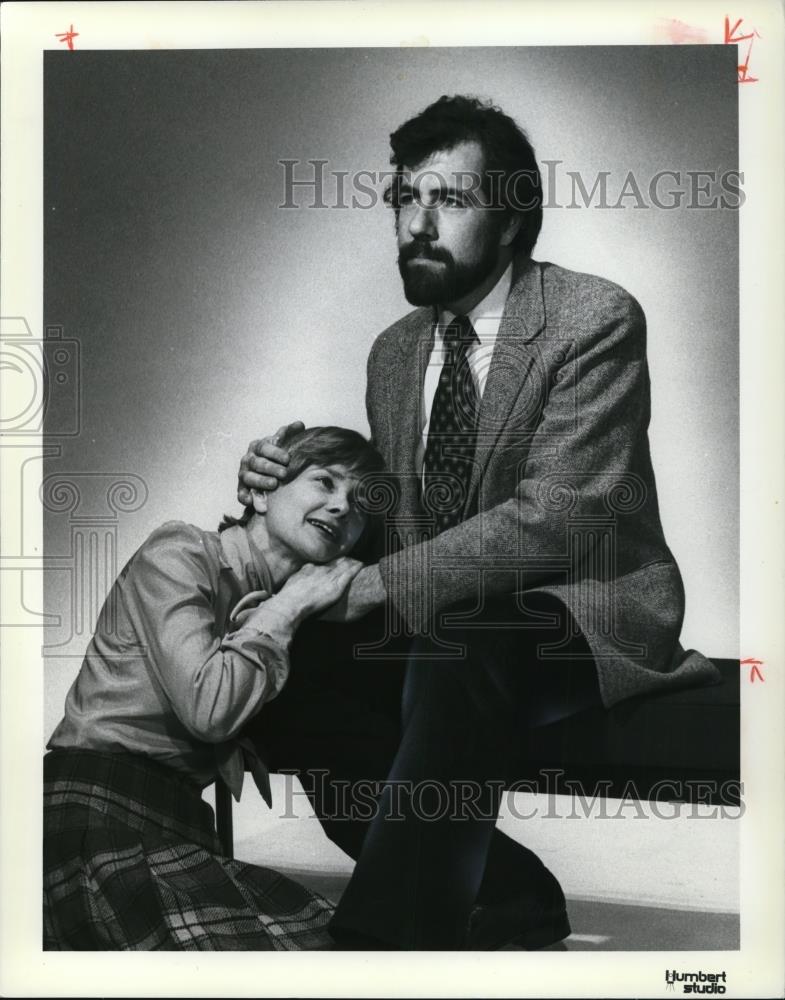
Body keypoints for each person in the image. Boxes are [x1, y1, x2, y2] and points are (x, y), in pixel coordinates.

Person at [237, 95, 721, 950]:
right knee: (289, 661)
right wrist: (284, 491)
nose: (417, 224)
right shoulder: (394, 352)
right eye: (404, 200)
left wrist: (381, 587)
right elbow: (394, 523)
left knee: (468, 633)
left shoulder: (591, 318)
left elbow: (558, 519)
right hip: (446, 624)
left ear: (508, 220)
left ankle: (382, 947)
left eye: (449, 201)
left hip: (579, 612)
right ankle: (515, 893)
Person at [44, 425, 385, 950]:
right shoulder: (180, 551)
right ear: (263, 489)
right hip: (94, 806)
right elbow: (210, 709)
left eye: (360, 503)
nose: (342, 507)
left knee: (339, 948)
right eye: (325, 482)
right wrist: (286, 608)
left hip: (181, 823)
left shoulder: (299, 616)